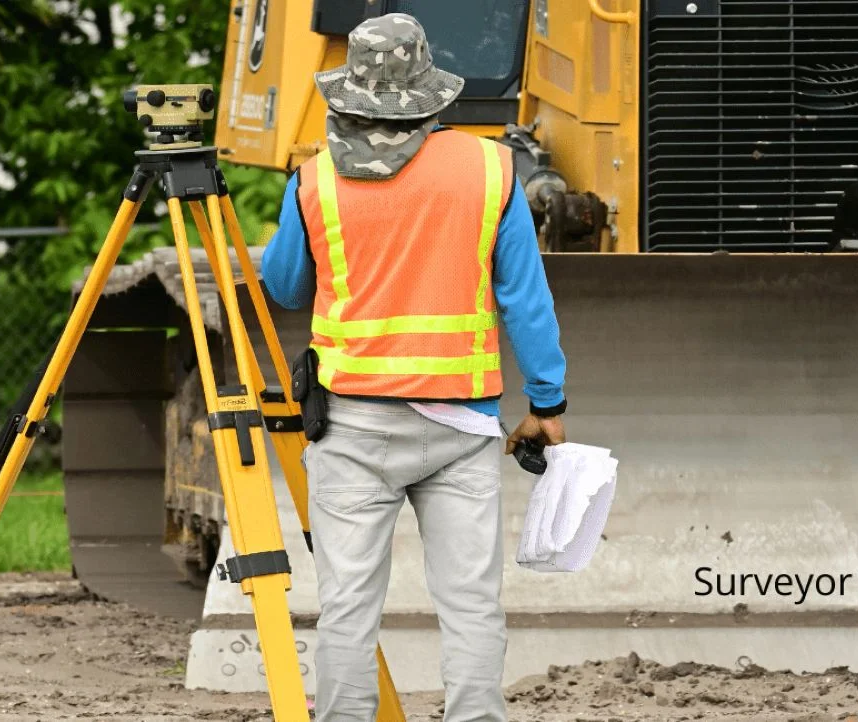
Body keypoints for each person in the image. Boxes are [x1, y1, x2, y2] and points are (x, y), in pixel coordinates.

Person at [259, 13, 568, 722]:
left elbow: (285, 288)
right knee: (469, 605)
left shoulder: (314, 181)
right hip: (462, 427)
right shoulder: (493, 170)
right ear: (430, 94)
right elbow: (526, 300)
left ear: (349, 95)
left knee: (346, 608)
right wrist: (547, 403)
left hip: (353, 430)